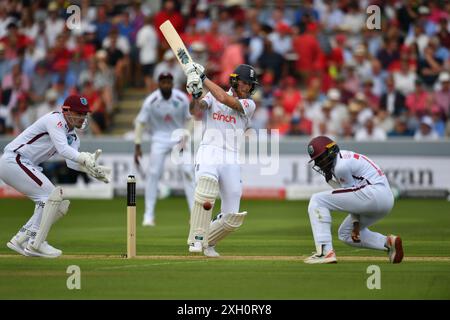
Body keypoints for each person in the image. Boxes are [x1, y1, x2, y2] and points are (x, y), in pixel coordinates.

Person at [0, 95, 111, 258]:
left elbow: (71, 163)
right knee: (50, 197)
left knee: (58, 205)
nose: (82, 117)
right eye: (79, 113)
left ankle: (21, 239)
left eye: (84, 114)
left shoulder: (73, 136)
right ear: (66, 111)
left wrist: (93, 170)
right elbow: (63, 149)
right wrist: (84, 158)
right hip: (14, 160)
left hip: (23, 164)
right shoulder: (55, 120)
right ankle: (35, 243)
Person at [184, 62, 258, 257]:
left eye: (251, 84)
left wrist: (203, 78)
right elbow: (198, 109)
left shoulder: (249, 104)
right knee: (207, 188)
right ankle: (197, 240)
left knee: (232, 217)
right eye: (245, 83)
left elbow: (224, 99)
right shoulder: (211, 95)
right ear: (235, 81)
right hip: (209, 150)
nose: (249, 87)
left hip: (231, 157)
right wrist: (195, 92)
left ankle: (208, 242)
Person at [304, 135, 404, 264]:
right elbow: (351, 196)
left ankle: (325, 251)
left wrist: (356, 223)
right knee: (345, 234)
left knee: (317, 200)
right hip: (384, 199)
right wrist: (330, 181)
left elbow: (351, 198)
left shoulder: (341, 166)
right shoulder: (341, 159)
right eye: (316, 161)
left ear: (330, 151)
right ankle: (389, 243)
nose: (318, 164)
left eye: (320, 158)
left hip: (372, 194)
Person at [134, 72, 195, 227]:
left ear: (172, 83)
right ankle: (148, 216)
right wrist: (138, 145)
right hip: (159, 138)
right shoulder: (151, 101)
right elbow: (140, 123)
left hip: (178, 137)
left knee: (188, 172)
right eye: (163, 82)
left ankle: (195, 214)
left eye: (169, 82)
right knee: (153, 174)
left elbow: (190, 119)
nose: (166, 85)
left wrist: (185, 137)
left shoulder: (181, 99)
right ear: (158, 84)